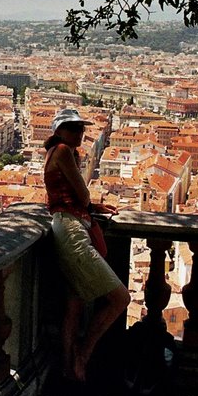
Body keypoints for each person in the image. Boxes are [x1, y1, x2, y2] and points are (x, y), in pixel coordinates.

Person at [44, 108, 131, 382]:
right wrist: (88, 200)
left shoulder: (55, 153)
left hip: (65, 225)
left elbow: (78, 197)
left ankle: (69, 369)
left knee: (74, 305)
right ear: (59, 131)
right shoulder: (63, 152)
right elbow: (81, 194)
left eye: (81, 128)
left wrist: (93, 205)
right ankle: (83, 354)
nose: (79, 132)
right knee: (120, 298)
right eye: (73, 128)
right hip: (72, 231)